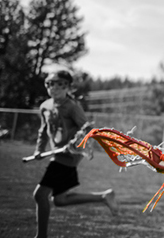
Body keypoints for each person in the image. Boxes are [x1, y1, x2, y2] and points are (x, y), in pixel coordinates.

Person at [32, 69, 119, 238]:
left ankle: (41, 236)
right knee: (60, 200)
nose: (53, 89)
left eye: (59, 85)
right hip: (57, 155)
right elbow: (43, 131)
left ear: (67, 87)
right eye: (50, 84)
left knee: (40, 194)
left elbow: (88, 130)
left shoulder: (72, 107)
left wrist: (75, 142)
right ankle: (103, 196)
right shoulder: (45, 106)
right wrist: (39, 150)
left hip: (69, 156)